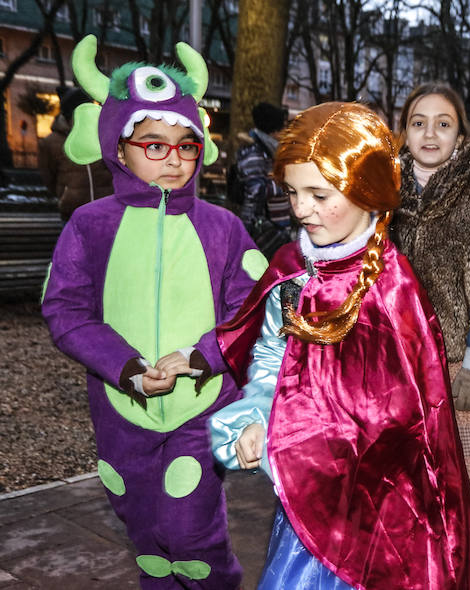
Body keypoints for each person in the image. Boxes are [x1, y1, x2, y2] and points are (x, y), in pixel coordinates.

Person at [209, 102, 470, 589]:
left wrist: (309, 437)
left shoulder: (394, 289)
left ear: (368, 192)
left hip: (383, 508)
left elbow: (407, 417)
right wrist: (257, 414)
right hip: (310, 498)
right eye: (294, 192)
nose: (301, 209)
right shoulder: (290, 270)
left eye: (319, 195)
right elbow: (270, 359)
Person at [41, 35, 265, 589]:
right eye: (154, 145)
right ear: (119, 147)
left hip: (203, 401)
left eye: (185, 145)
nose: (173, 159)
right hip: (121, 406)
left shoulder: (224, 228)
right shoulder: (89, 225)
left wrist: (199, 358)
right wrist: (126, 366)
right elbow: (64, 309)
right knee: (145, 534)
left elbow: (253, 309)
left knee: (189, 533)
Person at [390, 83, 470, 501]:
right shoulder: (381, 190)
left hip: (456, 362)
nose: (429, 134)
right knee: (398, 479)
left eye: (443, 125)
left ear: (460, 137)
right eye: (418, 123)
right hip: (393, 360)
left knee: (451, 483)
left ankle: (450, 561)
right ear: (403, 131)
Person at [38, 86, 113, 221]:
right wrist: (66, 195)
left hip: (107, 213)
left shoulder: (104, 135)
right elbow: (49, 177)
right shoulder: (51, 143)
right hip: (72, 214)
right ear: (70, 115)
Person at [231, 101, 292, 258]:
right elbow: (254, 191)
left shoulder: (270, 149)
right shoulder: (255, 151)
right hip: (264, 228)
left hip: (275, 224)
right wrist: (285, 186)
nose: (286, 131)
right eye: (283, 127)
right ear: (273, 130)